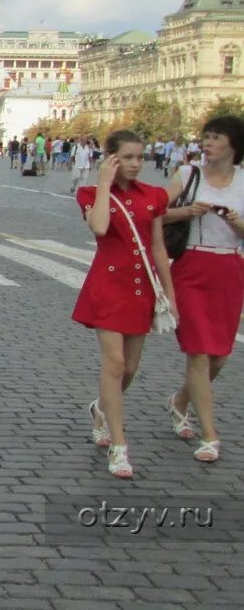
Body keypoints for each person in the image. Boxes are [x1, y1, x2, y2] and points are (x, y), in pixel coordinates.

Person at [74, 129, 176, 479]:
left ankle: (100, 408)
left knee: (129, 369)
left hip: (141, 289)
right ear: (111, 159)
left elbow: (159, 248)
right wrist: (104, 183)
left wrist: (170, 296)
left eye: (139, 157)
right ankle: (119, 446)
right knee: (114, 364)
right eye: (127, 157)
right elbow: (100, 228)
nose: (135, 164)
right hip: (108, 285)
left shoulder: (155, 196)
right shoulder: (89, 192)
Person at [163, 116, 244, 464]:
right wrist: (185, 212)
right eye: (206, 137)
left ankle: (181, 400)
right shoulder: (187, 174)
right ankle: (210, 435)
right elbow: (154, 213)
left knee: (219, 356)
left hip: (230, 269)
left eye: (216, 138)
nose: (208, 144)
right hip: (191, 268)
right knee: (197, 352)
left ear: (234, 145)